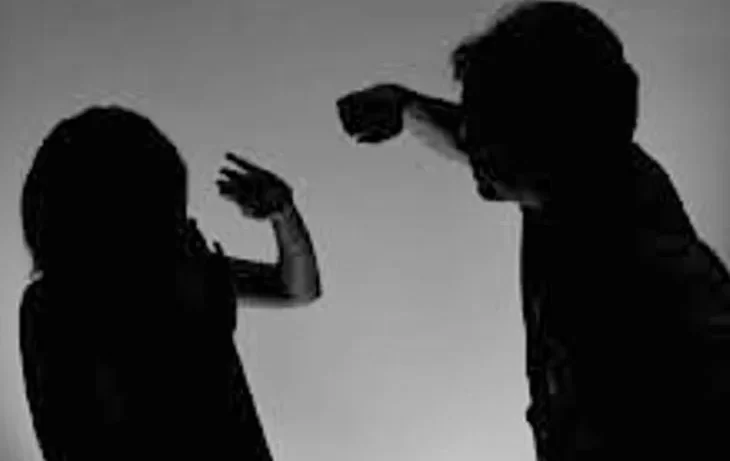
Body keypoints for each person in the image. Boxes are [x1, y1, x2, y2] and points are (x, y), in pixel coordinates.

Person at [337, 1, 729, 459]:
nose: (469, 138)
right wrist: (406, 107)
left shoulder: (654, 279)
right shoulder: (576, 177)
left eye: (483, 124)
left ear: (541, 136)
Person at [19, 105, 322, 460]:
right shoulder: (52, 309)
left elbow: (297, 290)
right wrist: (203, 322)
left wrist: (283, 215)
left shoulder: (180, 272)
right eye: (169, 212)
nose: (186, 225)